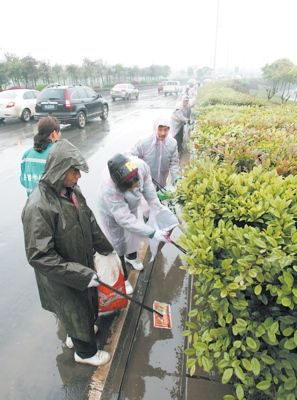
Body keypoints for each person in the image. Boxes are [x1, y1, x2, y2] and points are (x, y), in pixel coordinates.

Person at [22, 139, 114, 367]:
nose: (78, 177)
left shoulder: (72, 190)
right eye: (74, 172)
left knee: (82, 309)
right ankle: (85, 353)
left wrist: (106, 249)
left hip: (79, 265)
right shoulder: (38, 206)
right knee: (73, 309)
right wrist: (81, 274)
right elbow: (40, 256)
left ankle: (77, 335)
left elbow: (89, 219)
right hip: (62, 277)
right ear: (60, 170)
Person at [97, 154, 170, 295]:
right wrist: (153, 233)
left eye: (136, 183)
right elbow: (124, 219)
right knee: (117, 241)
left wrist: (157, 207)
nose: (136, 187)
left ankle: (131, 258)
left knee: (133, 232)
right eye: (130, 187)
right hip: (111, 211)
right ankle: (123, 277)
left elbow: (148, 186)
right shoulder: (109, 188)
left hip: (130, 204)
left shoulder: (140, 165)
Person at [131, 117, 180, 189]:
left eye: (165, 130)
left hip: (161, 184)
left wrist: (177, 180)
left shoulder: (172, 143)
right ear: (155, 129)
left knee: (158, 199)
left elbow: (174, 164)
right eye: (160, 130)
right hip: (145, 184)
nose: (162, 133)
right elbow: (131, 157)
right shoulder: (144, 142)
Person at [20, 116, 61, 196]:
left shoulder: (27, 154)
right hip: (51, 206)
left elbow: (23, 181)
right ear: (54, 134)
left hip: (31, 205)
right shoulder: (56, 154)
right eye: (58, 132)